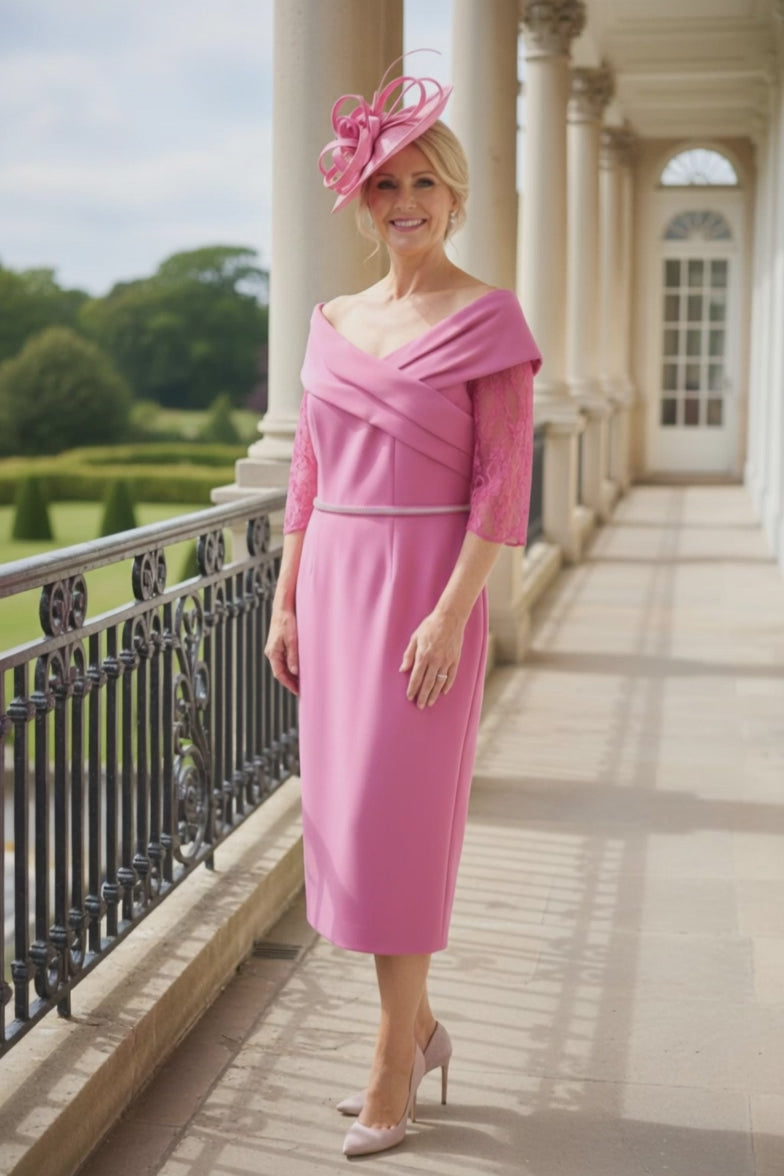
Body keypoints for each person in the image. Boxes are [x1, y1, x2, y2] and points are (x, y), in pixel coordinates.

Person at [264, 58, 542, 1158]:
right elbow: (306, 477)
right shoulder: (331, 320)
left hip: (429, 586)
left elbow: (501, 484)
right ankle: (417, 1031)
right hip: (332, 585)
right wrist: (287, 602)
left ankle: (390, 1063)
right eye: (387, 186)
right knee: (347, 826)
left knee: (401, 828)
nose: (407, 204)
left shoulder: (491, 319)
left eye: (425, 183)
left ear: (455, 194)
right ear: (364, 201)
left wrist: (447, 613)